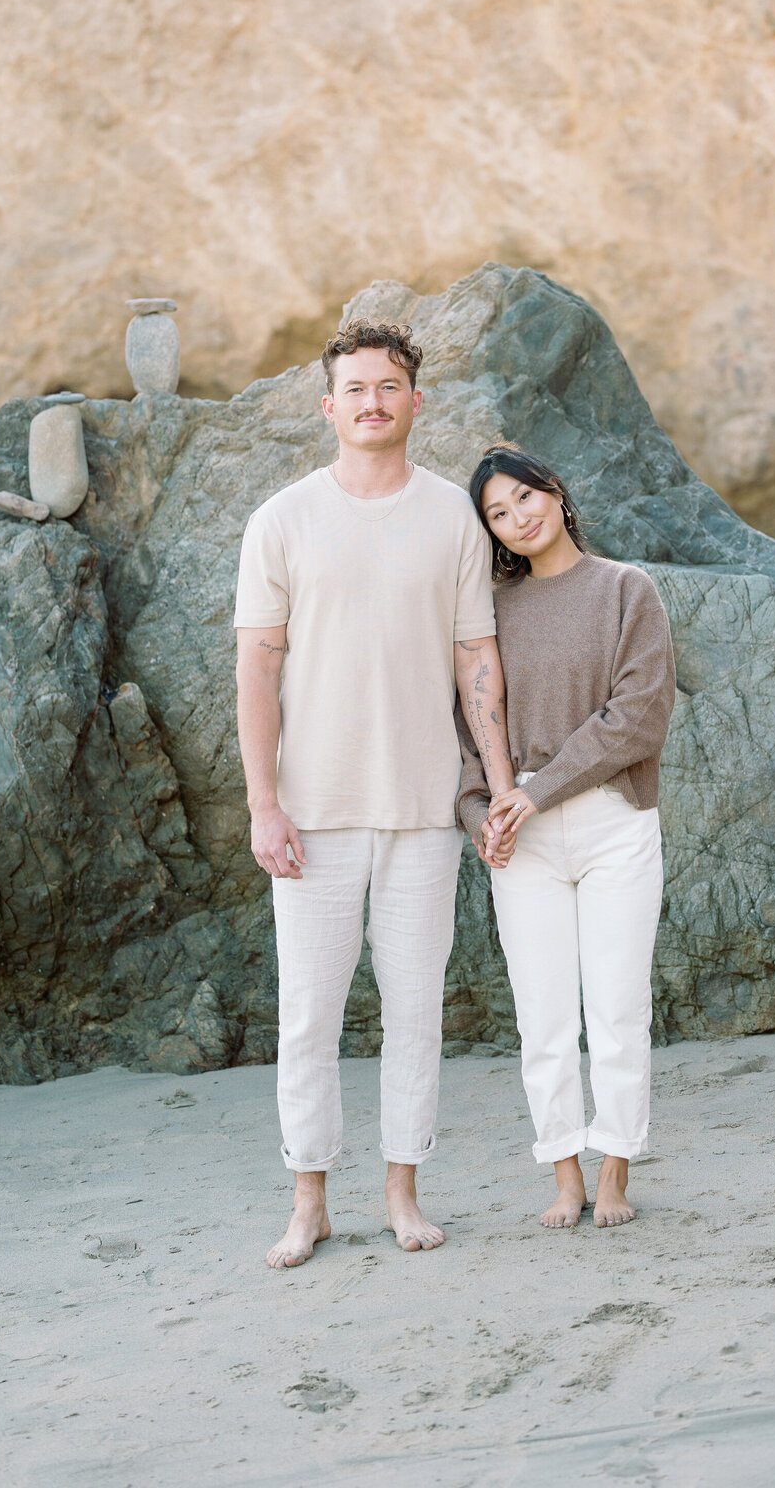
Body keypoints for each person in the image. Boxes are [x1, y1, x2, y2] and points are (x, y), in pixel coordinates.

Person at [234, 320, 515, 1268]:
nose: (372, 402)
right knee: (308, 1015)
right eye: (355, 388)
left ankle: (403, 1190)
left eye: (389, 387)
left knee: (415, 1013)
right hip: (311, 817)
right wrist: (263, 804)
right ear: (329, 406)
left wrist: (500, 788)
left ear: (415, 403)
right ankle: (308, 1199)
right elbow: (255, 671)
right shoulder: (281, 520)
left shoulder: (451, 519)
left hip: (423, 812)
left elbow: (477, 658)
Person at [458, 446, 676, 1230]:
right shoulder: (487, 613)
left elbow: (638, 716)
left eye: (526, 496)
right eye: (499, 513)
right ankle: (564, 1175)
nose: (520, 516)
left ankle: (615, 1168)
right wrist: (479, 814)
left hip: (614, 823)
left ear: (556, 490)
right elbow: (467, 727)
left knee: (617, 1006)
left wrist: (537, 790)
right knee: (542, 1016)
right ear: (489, 531)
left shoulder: (626, 589)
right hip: (521, 839)